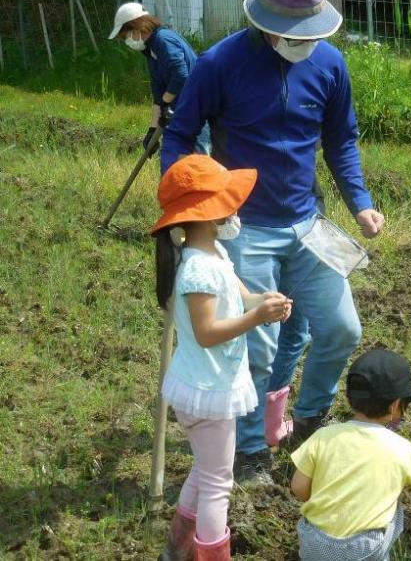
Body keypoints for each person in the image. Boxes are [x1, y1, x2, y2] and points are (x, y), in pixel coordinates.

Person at [161, 0, 385, 484]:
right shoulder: (219, 63)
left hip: (309, 223)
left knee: (340, 329)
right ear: (263, 21)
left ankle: (309, 419)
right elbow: (182, 133)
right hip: (245, 229)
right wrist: (186, 196)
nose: (300, 42)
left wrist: (360, 201)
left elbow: (341, 140)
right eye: (289, 33)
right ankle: (252, 450)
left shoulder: (329, 64)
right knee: (256, 348)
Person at [151, 155, 292, 561]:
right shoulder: (198, 269)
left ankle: (176, 549)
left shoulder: (215, 256)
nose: (236, 211)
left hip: (207, 386)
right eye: (229, 203)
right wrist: (255, 318)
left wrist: (262, 301)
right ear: (209, 214)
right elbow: (206, 332)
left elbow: (240, 295)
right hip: (207, 390)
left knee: (205, 469)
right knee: (218, 482)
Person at [290, 348, 411, 560]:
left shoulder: (323, 436)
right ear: (396, 405)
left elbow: (298, 488)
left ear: (350, 398)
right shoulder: (400, 448)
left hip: (316, 544)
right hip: (363, 549)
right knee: (394, 510)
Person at [107, 3, 209, 154]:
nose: (126, 41)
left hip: (199, 106)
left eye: (125, 36)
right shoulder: (151, 51)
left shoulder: (163, 40)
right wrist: (152, 131)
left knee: (200, 160)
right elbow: (158, 92)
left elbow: (180, 75)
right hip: (182, 109)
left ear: (136, 27)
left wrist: (166, 103)